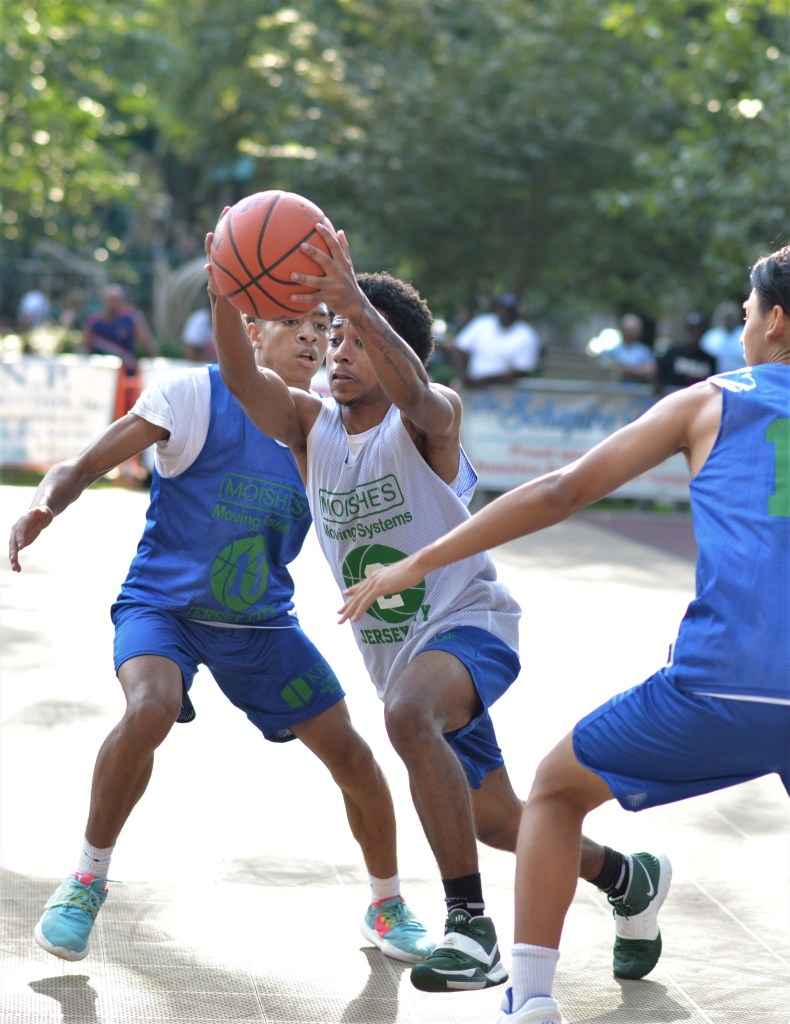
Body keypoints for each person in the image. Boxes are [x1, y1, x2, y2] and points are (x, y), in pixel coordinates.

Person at [207, 223, 670, 994]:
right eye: (335, 338)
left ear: (396, 352)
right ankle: (628, 878)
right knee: (496, 820)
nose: (340, 352)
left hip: (471, 626)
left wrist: (356, 300)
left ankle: (470, 928)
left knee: (407, 715)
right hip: (402, 655)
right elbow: (240, 377)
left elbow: (421, 394)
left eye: (359, 341)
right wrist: (226, 287)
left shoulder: (427, 420)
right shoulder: (310, 428)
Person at [338, 244, 790, 1024]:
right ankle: (623, 891)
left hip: (725, 679)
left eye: (747, 312)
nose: (744, 325)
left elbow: (562, 489)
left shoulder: (714, 400)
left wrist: (418, 561)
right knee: (500, 806)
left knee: (553, 790)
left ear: (776, 321)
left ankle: (533, 997)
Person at [8, 304, 432, 966]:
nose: (312, 337)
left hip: (261, 624)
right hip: (163, 608)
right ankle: (85, 881)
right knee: (150, 706)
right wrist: (43, 506)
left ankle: (387, 904)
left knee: (353, 758)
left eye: (322, 329)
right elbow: (83, 465)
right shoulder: (192, 395)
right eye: (292, 323)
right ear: (250, 331)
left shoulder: (325, 429)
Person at [82, 284, 160, 410]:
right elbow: (84, 347)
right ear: (103, 301)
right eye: (110, 300)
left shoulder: (131, 320)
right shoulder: (94, 322)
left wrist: (155, 363)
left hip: (125, 376)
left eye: (115, 300)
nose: (112, 304)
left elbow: (147, 343)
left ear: (122, 301)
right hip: (100, 377)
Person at [452, 293, 541, 387]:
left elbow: (522, 370)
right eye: (503, 309)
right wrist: (464, 376)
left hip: (507, 391)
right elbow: (459, 349)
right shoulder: (482, 324)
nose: (505, 314)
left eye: (509, 311)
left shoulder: (526, 335)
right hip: (473, 388)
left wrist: (486, 381)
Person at [654, 311, 717, 396]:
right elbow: (658, 375)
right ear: (687, 330)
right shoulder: (673, 353)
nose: (695, 333)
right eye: (692, 329)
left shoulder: (709, 360)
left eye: (698, 329)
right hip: (673, 400)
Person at [597, 313, 656, 385]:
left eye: (634, 329)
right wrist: (637, 370)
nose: (631, 332)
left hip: (638, 390)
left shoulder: (645, 351)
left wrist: (623, 369)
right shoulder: (612, 350)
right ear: (622, 329)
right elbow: (604, 369)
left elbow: (649, 372)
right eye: (629, 329)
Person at [701, 300, 747, 373]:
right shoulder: (710, 338)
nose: (729, 320)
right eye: (727, 317)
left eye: (731, 317)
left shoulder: (746, 337)